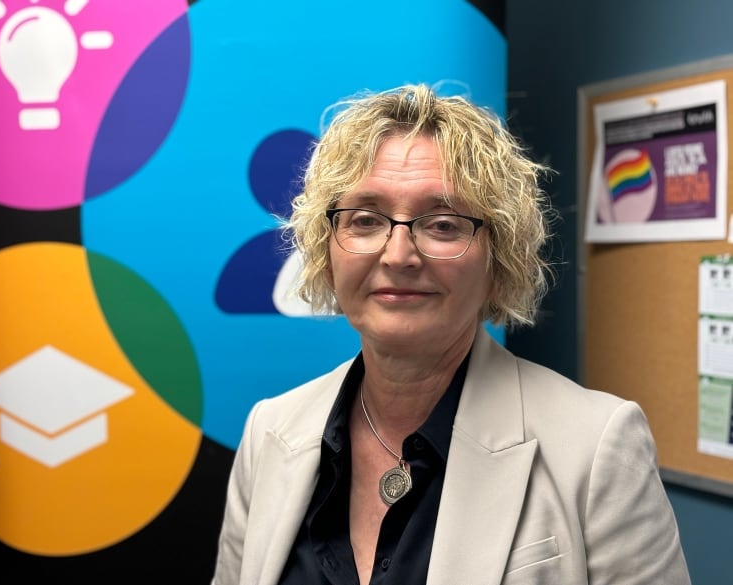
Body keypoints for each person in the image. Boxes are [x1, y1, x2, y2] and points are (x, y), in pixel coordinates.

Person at [213, 84, 690, 585]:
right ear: (327, 252)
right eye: (365, 220)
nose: (398, 255)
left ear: (498, 260)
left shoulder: (596, 447)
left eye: (442, 224)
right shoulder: (270, 432)